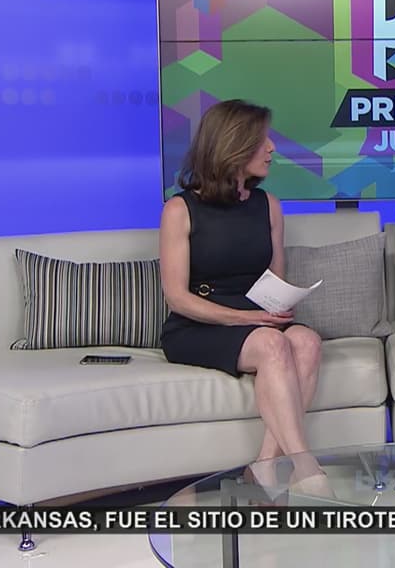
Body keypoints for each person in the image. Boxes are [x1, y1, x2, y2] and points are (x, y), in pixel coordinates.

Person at [158, 98, 328, 497]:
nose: (272, 148)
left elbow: (274, 279)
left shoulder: (269, 206)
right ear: (233, 146)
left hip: (257, 321)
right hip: (198, 325)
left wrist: (281, 306)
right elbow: (177, 298)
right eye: (262, 140)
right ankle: (306, 465)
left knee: (307, 341)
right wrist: (248, 320)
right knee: (272, 345)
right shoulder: (180, 209)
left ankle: (264, 466)